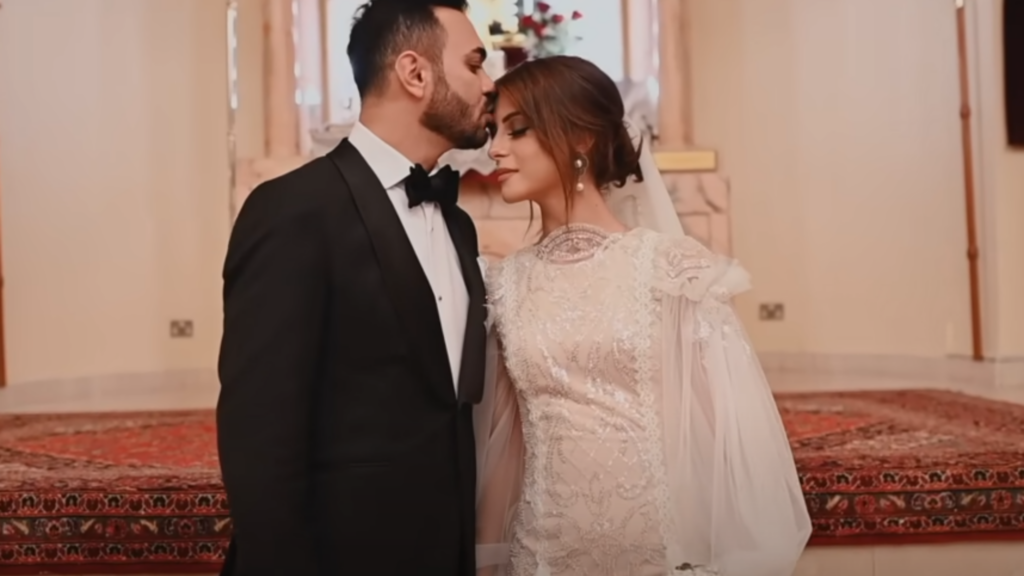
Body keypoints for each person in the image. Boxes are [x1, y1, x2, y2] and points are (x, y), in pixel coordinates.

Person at [474, 56, 812, 576]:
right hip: (544, 554)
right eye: (493, 131)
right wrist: (488, 561)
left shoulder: (672, 271)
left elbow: (720, 439)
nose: (495, 149)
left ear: (581, 138)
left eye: (517, 130)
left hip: (658, 553)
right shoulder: (506, 284)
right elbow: (506, 448)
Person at [216, 1, 495, 574]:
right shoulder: (293, 210)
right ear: (415, 73)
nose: (489, 84)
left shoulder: (457, 224)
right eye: (474, 64)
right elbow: (259, 434)